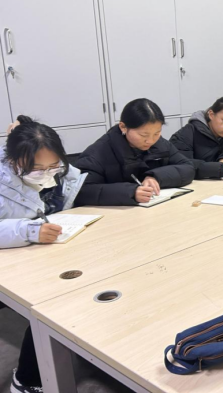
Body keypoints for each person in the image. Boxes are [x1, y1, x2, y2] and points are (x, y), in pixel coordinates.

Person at [0, 116, 86, 393]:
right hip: (11, 261)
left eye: (53, 166)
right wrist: (28, 230)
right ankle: (27, 379)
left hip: (42, 252)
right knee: (52, 303)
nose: (47, 174)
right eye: (37, 169)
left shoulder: (60, 171)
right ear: (13, 161)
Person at [74, 98, 195, 206]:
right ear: (123, 127)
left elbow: (188, 167)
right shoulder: (97, 153)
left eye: (157, 133)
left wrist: (155, 177)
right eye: (143, 135)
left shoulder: (160, 144)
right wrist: (131, 192)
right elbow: (82, 191)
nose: (150, 140)